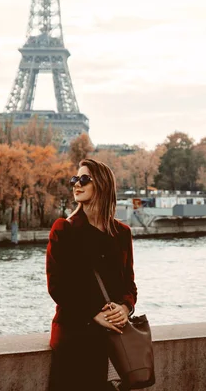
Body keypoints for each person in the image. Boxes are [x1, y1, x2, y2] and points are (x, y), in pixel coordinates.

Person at [46, 158, 137, 391]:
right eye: (74, 179)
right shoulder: (64, 230)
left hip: (113, 342)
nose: (76, 184)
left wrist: (124, 309)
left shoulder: (122, 234)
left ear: (103, 185)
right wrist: (93, 313)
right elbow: (57, 286)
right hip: (75, 339)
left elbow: (129, 285)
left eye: (84, 179)